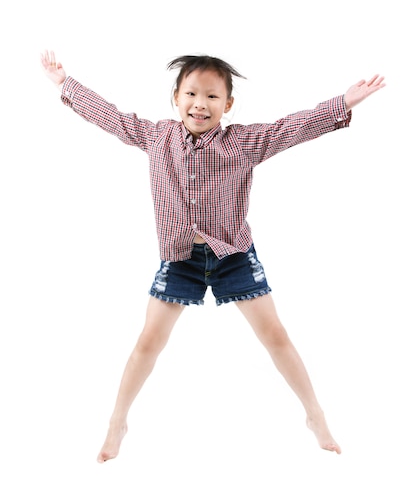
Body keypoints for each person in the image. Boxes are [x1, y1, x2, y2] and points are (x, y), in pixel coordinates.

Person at [40, 49, 385, 462]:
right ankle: (118, 421)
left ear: (228, 105)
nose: (199, 104)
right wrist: (66, 83)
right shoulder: (157, 137)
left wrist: (342, 103)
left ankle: (315, 415)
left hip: (233, 254)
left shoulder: (243, 142)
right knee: (148, 341)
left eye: (211, 96)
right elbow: (111, 117)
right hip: (180, 256)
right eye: (191, 93)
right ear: (176, 97)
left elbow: (290, 127)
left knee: (275, 336)